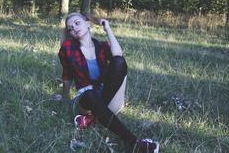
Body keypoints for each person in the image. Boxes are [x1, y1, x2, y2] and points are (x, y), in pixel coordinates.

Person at [58, 12, 159, 153]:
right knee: (90, 94)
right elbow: (67, 75)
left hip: (107, 95)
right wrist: (65, 98)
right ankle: (135, 142)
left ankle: (92, 118)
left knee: (118, 61)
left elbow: (118, 55)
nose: (73, 28)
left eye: (77, 23)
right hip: (87, 99)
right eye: (70, 28)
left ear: (87, 23)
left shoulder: (101, 46)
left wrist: (108, 29)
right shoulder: (68, 48)